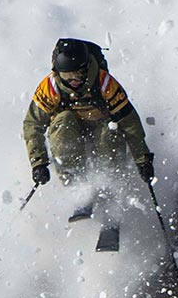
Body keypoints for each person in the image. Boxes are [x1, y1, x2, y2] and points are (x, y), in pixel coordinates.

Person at [22, 38, 154, 190]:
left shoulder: (104, 83)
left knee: (109, 132)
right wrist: (38, 163)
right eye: (67, 76)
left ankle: (111, 183)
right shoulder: (50, 88)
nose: (73, 81)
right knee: (63, 122)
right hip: (70, 131)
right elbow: (33, 124)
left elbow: (129, 121)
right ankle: (74, 183)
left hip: (100, 126)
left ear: (86, 68)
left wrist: (142, 160)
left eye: (78, 74)